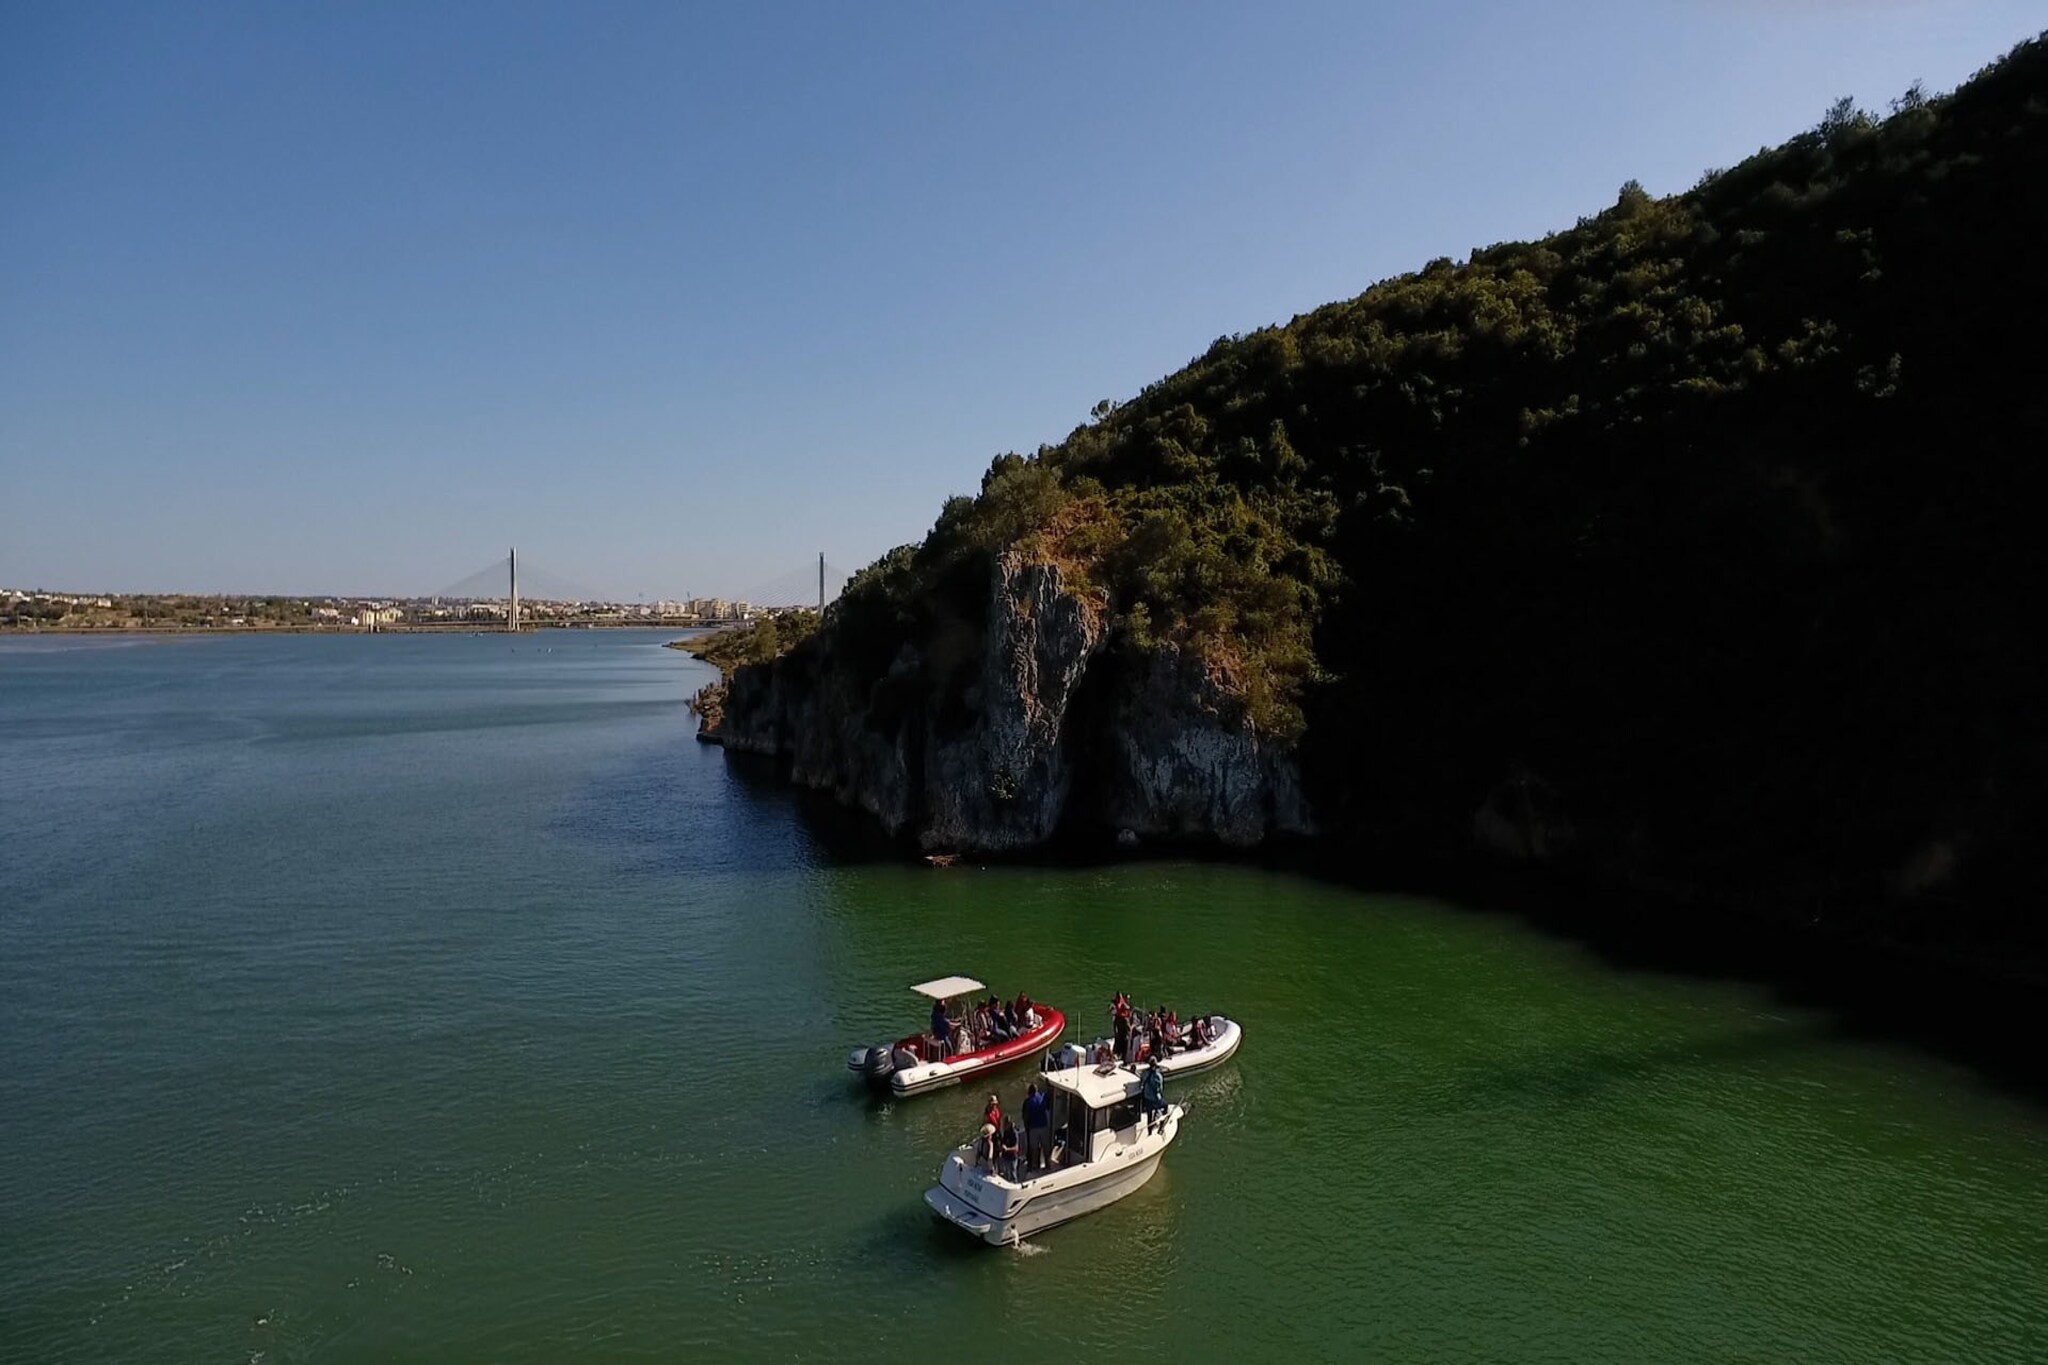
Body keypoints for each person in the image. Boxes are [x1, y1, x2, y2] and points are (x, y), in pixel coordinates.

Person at [1022, 1081, 1051, 1173]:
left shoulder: (1028, 1102)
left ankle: (1035, 1167)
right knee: (1045, 1147)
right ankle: (1048, 1165)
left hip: (1033, 1128)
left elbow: (1026, 1116)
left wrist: (1026, 1127)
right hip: (1044, 1126)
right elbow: (1048, 1099)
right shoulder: (1042, 1097)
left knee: (1034, 1149)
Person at [1141, 1059, 1167, 1131]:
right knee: (1165, 1106)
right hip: (1154, 1099)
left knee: (1149, 1115)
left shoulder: (1144, 1073)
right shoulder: (1158, 1076)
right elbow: (1160, 1089)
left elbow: (1141, 1081)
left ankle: (1149, 1130)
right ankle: (1162, 1125)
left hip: (1147, 1097)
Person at [930, 996, 952, 1061]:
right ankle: (949, 1058)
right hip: (942, 1037)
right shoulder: (944, 1021)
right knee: (950, 1048)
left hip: (936, 1033)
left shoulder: (935, 1015)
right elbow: (950, 1026)